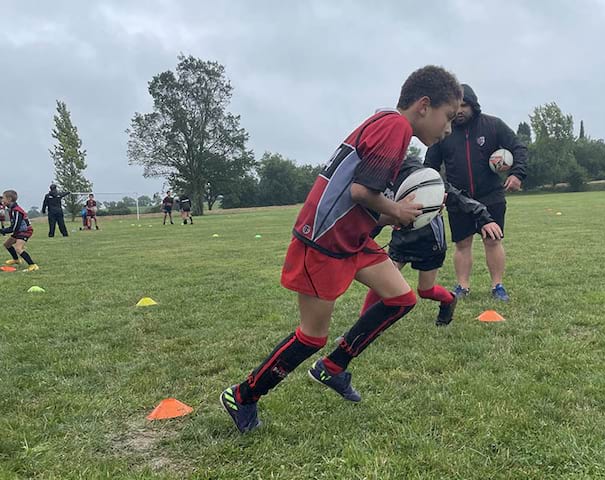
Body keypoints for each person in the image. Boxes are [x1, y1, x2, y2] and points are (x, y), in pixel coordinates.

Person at [220, 65, 463, 433]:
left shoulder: (386, 124)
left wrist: (396, 216)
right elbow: (361, 192)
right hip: (323, 242)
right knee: (311, 336)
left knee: (401, 298)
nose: (448, 129)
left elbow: (361, 199)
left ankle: (333, 367)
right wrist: (397, 208)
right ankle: (243, 395)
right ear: (424, 106)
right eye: (448, 118)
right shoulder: (395, 127)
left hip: (352, 240)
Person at [360, 154, 503, 327]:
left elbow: (456, 195)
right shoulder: (377, 178)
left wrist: (484, 218)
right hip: (401, 235)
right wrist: (361, 239)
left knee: (425, 290)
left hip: (429, 239)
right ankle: (363, 325)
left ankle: (449, 300)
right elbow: (377, 213)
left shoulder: (421, 176)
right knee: (382, 278)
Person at [425, 84, 527, 301]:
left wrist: (517, 174)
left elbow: (518, 147)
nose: (459, 110)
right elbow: (430, 165)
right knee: (462, 244)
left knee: (493, 240)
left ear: (473, 105)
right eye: (456, 106)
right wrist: (435, 191)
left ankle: (497, 286)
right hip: (458, 199)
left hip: (491, 195)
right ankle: (462, 286)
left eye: (464, 105)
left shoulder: (493, 125)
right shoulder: (444, 130)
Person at [1, 190, 39, 271]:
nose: (2, 200)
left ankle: (33, 265)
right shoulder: (12, 208)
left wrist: (2, 230)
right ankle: (16, 260)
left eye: (3, 198)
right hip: (19, 231)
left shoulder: (16, 211)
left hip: (25, 231)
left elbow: (15, 227)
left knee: (18, 248)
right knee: (7, 244)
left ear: (9, 199)